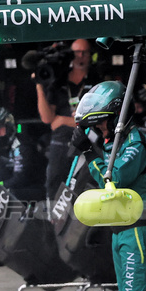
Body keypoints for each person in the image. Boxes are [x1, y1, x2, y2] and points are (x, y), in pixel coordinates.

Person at [70, 82, 146, 291]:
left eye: (101, 123)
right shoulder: (117, 144)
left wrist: (89, 152)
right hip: (121, 229)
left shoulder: (135, 144)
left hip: (139, 229)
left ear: (117, 118)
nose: (98, 129)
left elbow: (112, 181)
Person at [37, 39, 92, 202]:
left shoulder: (96, 79)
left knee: (81, 184)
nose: (81, 56)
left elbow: (95, 119)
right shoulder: (58, 81)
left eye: (84, 52)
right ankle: (53, 221)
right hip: (61, 142)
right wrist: (39, 85)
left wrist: (63, 120)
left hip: (86, 141)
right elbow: (47, 119)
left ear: (90, 55)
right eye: (77, 52)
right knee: (54, 180)